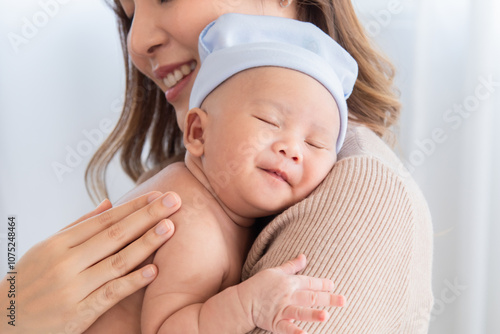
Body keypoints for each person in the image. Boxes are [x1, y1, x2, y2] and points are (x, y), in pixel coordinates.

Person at [1, 0, 434, 333]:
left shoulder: (361, 190)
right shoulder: (200, 198)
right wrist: (12, 309)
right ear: (198, 132)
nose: (136, 41)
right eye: (129, 12)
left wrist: (11, 312)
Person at [136, 13, 357, 334]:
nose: (292, 149)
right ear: (198, 132)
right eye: (269, 121)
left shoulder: (225, 211)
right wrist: (246, 306)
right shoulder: (188, 218)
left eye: (315, 143)